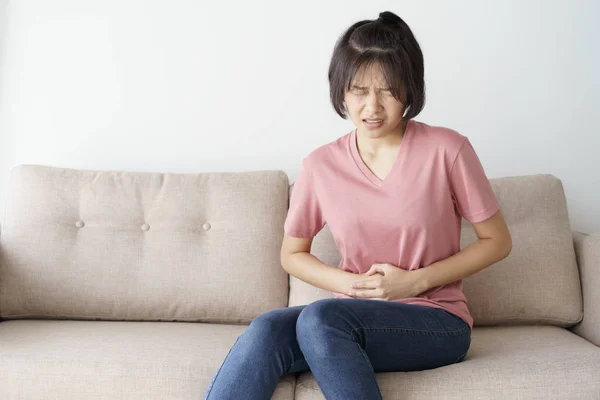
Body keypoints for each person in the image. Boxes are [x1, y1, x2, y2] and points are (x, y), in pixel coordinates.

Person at [203, 10, 512, 400]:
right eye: (359, 91)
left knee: (321, 317)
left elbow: (497, 241)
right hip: (342, 322)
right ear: (341, 91)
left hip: (436, 320)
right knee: (268, 329)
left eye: (388, 90)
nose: (372, 107)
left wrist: (414, 281)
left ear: (410, 89)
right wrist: (351, 285)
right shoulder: (321, 165)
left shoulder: (447, 150)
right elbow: (292, 254)